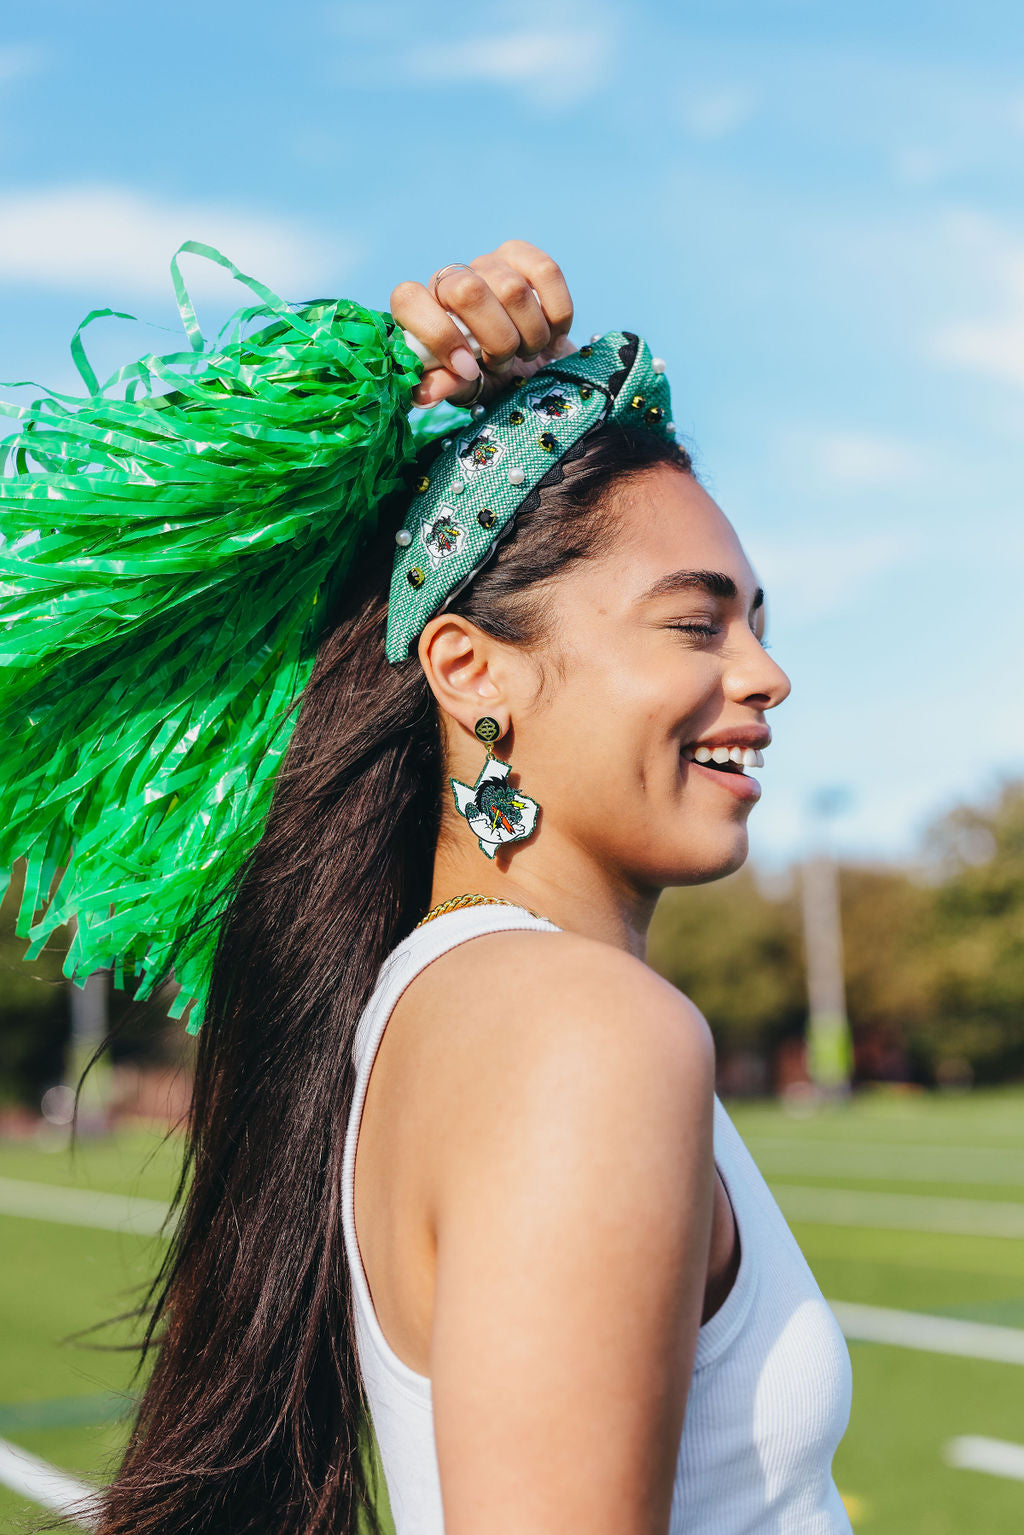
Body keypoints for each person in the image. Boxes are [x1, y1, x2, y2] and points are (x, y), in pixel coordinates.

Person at [1, 241, 852, 1534]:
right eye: (697, 623)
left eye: (757, 623)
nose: (764, 674)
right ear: (469, 671)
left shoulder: (445, 999)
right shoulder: (581, 1032)